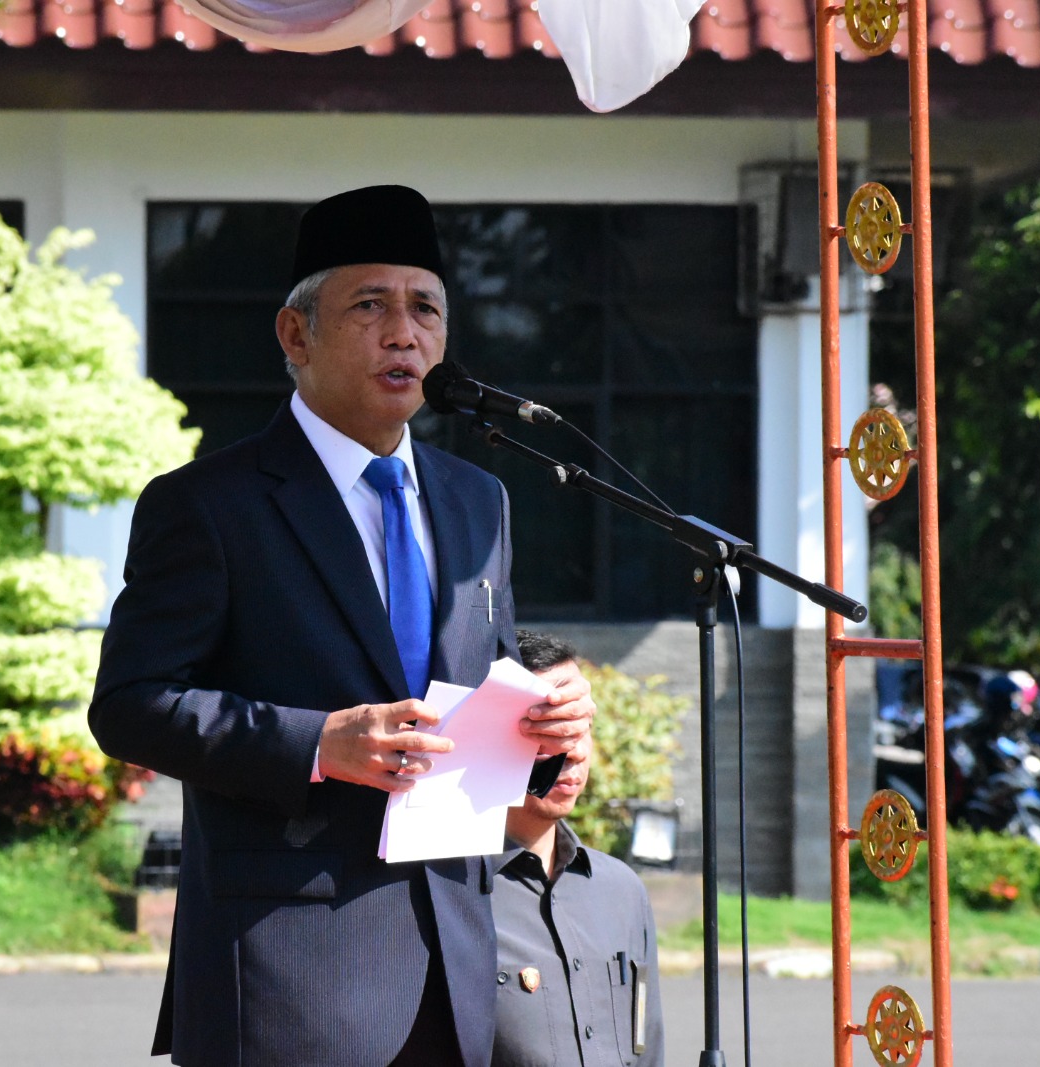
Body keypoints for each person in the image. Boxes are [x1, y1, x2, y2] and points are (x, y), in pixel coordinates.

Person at [88, 185, 594, 1067]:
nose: (404, 333)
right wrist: (318, 743)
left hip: (455, 960)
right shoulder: (210, 504)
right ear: (296, 334)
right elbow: (130, 704)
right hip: (287, 969)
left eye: (425, 308)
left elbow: (485, 680)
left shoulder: (479, 500)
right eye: (370, 306)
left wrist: (546, 726)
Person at [492, 630, 665, 1067]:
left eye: (581, 727)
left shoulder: (621, 890)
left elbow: (647, 1047)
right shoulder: (446, 893)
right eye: (551, 729)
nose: (572, 751)